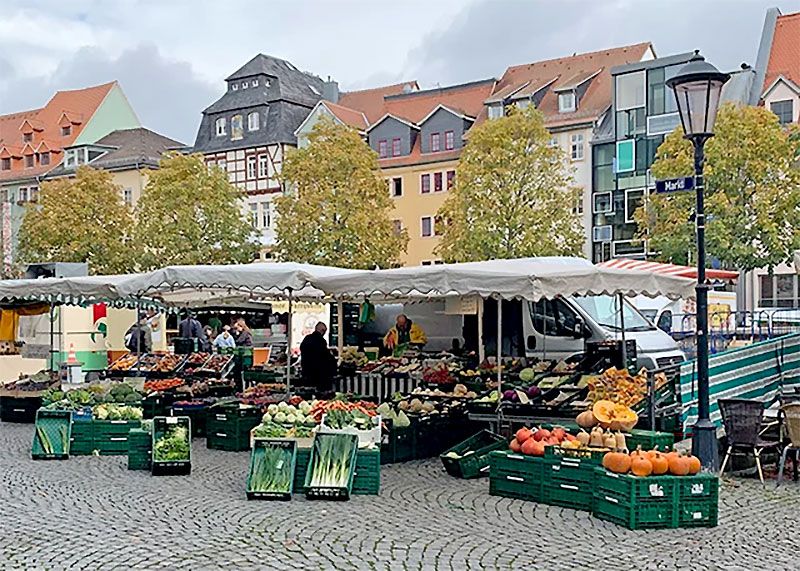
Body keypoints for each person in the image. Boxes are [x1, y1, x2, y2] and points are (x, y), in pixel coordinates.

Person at [300, 322, 337, 393]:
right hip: (319, 374)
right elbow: (325, 356)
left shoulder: (307, 339)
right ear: (322, 331)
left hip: (306, 371)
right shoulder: (321, 341)